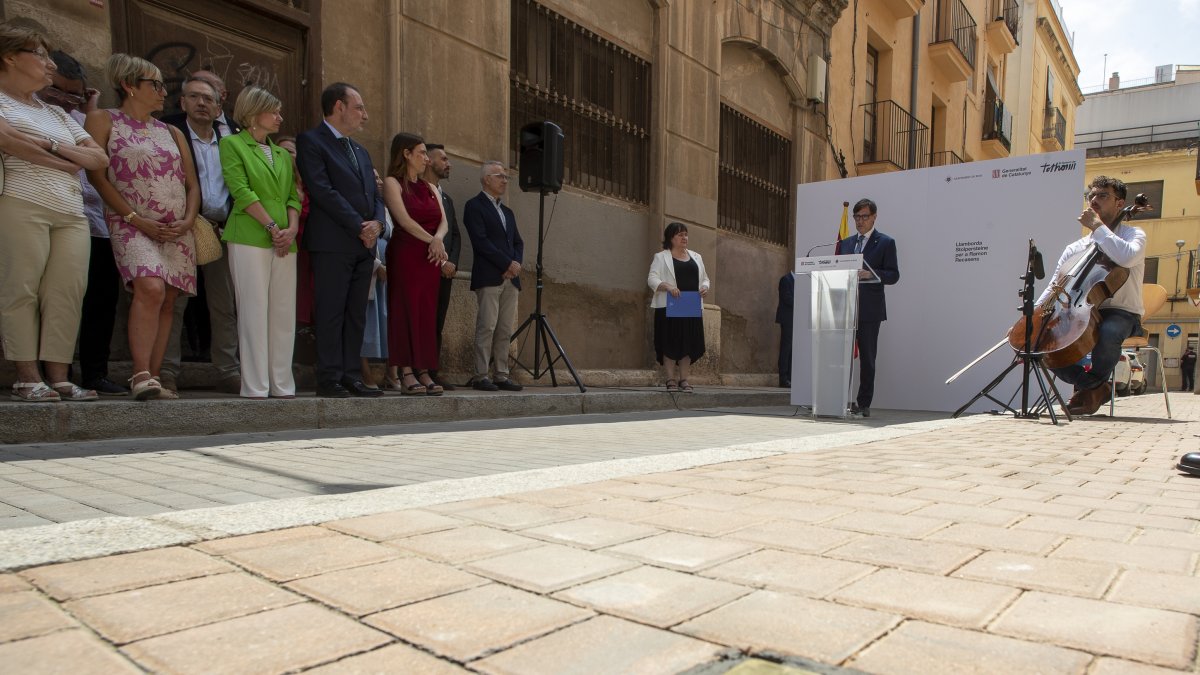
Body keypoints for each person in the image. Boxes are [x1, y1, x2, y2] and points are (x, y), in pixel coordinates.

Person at [0, 26, 108, 402]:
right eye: (40, 55)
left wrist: (46, 143)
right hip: (20, 200)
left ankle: (59, 377)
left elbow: (99, 157)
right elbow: (8, 141)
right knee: (21, 289)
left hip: (70, 210)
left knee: (67, 292)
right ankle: (27, 377)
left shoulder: (55, 113)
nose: (49, 64)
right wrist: (66, 158)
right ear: (10, 57)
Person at [86, 53, 200, 401]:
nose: (163, 92)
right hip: (132, 223)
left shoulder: (172, 131)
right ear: (129, 86)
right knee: (149, 288)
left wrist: (188, 221)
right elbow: (97, 176)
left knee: (167, 299)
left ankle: (152, 378)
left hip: (177, 229)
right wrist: (135, 219)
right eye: (155, 84)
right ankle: (140, 372)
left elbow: (192, 185)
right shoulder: (102, 119)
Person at [43, 50, 128, 397]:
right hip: (51, 216)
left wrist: (88, 108)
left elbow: (98, 161)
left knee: (100, 302)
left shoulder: (83, 119)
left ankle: (95, 372)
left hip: (95, 223)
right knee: (50, 299)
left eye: (73, 95)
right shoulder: (28, 113)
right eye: (56, 92)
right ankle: (43, 373)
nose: (64, 101)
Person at [295, 82, 385, 398]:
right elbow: (322, 190)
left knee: (355, 314)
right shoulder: (311, 141)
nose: (365, 115)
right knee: (331, 312)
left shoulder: (360, 150)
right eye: (359, 107)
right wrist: (358, 225)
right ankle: (329, 377)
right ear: (338, 106)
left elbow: (374, 192)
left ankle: (351, 376)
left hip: (363, 246)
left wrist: (378, 223)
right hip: (332, 242)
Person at [160, 70, 240, 393]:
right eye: (194, 97)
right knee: (174, 302)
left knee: (224, 304)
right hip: (183, 227)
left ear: (219, 106)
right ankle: (166, 370)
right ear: (182, 102)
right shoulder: (169, 132)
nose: (202, 103)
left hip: (221, 231)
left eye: (209, 99)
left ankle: (228, 371)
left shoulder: (230, 140)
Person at [219, 86, 301, 399]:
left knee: (282, 313)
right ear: (254, 113)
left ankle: (282, 384)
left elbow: (294, 195)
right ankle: (255, 386)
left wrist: (290, 229)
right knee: (253, 309)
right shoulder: (231, 145)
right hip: (249, 236)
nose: (280, 117)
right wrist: (270, 226)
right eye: (274, 111)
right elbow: (240, 191)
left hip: (285, 241)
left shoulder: (281, 152)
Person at [1040, 176, 1146, 415]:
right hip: (1082, 311)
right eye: (1091, 196)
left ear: (1120, 203)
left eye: (1102, 196)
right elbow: (1056, 284)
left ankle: (1089, 390)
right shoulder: (1076, 247)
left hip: (1122, 313)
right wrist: (1036, 316)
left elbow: (1126, 257)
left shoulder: (1133, 235)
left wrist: (1098, 227)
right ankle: (1096, 387)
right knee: (1048, 347)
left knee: (1108, 331)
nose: (1094, 200)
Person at [383, 133, 449, 395]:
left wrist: (438, 240)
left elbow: (443, 221)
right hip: (406, 255)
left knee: (426, 313)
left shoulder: (431, 187)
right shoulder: (392, 183)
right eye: (421, 153)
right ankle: (406, 372)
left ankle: (424, 370)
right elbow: (404, 220)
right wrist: (432, 241)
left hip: (430, 258)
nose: (426, 159)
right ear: (406, 154)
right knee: (405, 310)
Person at [463, 161, 523, 392]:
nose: (505, 181)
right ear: (486, 179)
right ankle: (480, 375)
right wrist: (506, 263)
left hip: (511, 279)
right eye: (500, 176)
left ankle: (501, 374)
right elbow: (481, 242)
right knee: (486, 326)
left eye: (506, 177)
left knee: (505, 329)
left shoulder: (507, 211)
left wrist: (515, 264)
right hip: (489, 276)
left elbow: (518, 241)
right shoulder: (474, 206)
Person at [838, 198, 899, 417]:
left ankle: (863, 403)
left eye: (864, 216)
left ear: (874, 217)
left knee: (867, 358)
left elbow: (893, 275)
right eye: (857, 217)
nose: (860, 221)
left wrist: (872, 274)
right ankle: (838, 399)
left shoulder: (885, 242)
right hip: (844, 308)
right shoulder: (845, 243)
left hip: (870, 310)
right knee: (841, 357)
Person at [647, 222, 710, 393]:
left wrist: (705, 287)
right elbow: (652, 279)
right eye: (680, 234)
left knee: (688, 343)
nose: (685, 238)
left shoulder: (697, 257)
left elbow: (705, 279)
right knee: (669, 342)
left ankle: (684, 379)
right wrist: (667, 286)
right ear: (671, 238)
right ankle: (670, 379)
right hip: (668, 307)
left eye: (686, 234)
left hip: (690, 306)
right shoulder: (661, 257)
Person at [424, 143, 461, 390]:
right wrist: (439, 262)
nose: (449, 163)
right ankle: (418, 370)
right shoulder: (418, 192)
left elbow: (455, 235)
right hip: (426, 267)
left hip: (446, 272)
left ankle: (433, 370)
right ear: (428, 161)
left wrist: (452, 262)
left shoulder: (446, 198)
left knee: (437, 322)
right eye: (444, 158)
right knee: (422, 321)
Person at [776, 271, 794, 388]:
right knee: (786, 348)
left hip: (796, 320)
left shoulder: (801, 281)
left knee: (793, 350)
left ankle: (791, 377)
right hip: (787, 319)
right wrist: (802, 303)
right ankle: (783, 378)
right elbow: (787, 298)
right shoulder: (785, 279)